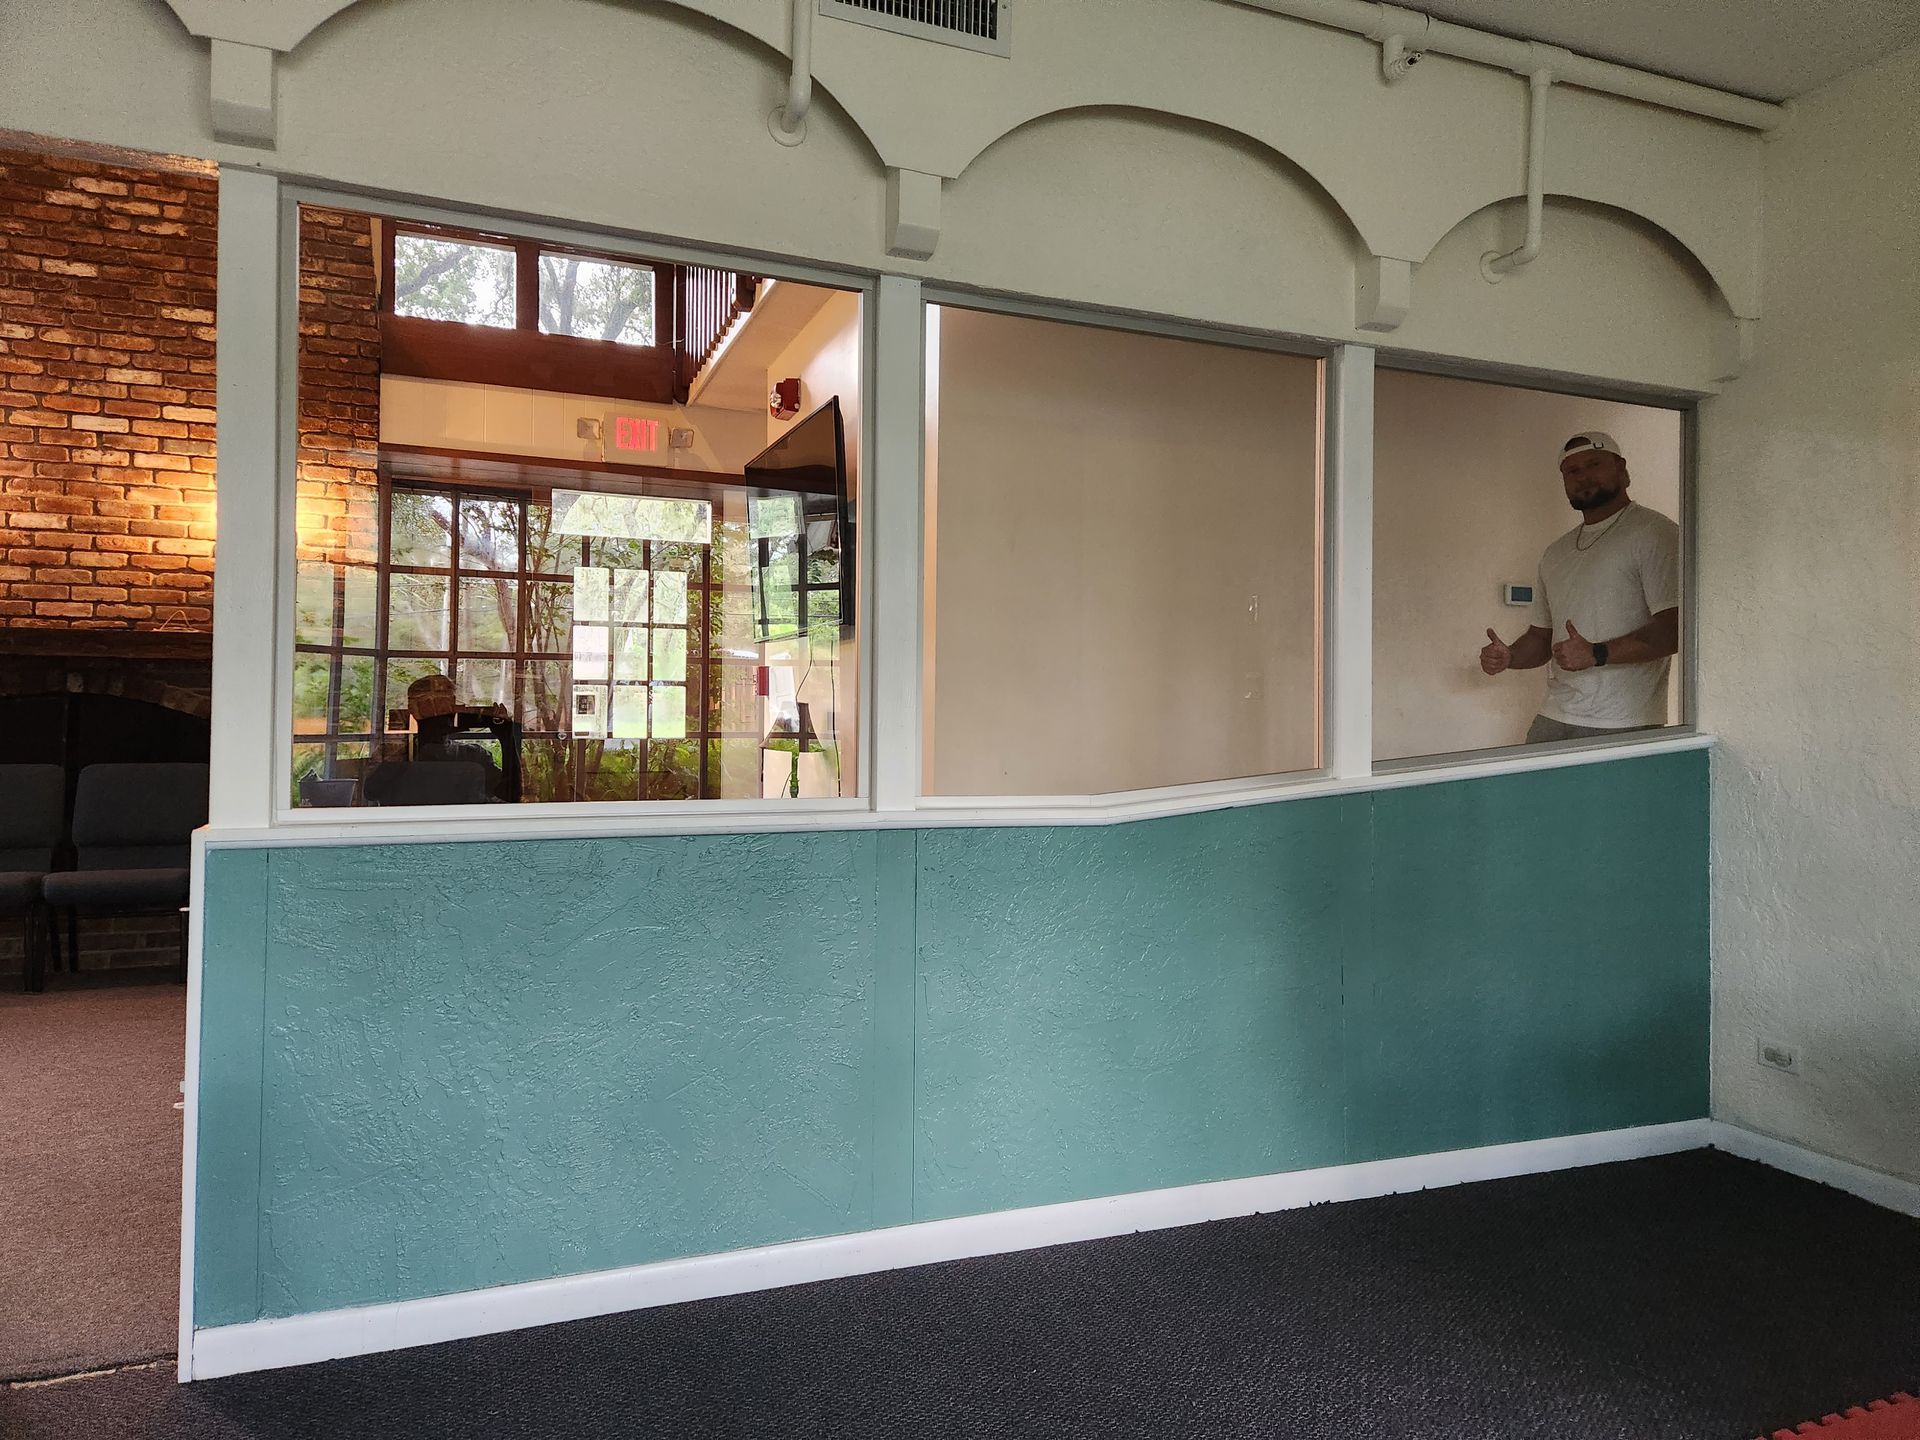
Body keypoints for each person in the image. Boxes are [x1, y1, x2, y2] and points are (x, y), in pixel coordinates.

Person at [1479, 431, 1681, 744]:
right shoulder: (1556, 552)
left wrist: (1597, 652)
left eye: (1594, 464)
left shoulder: (1655, 533)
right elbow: (1540, 638)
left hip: (1625, 722)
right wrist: (1510, 656)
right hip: (1555, 715)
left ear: (1622, 468)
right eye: (1572, 471)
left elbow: (1674, 630)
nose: (1583, 476)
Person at [361, 673, 519, 803]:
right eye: (435, 705)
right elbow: (370, 791)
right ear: (414, 711)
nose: (444, 712)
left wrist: (506, 736)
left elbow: (509, 794)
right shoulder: (397, 755)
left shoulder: (474, 756)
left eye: (450, 704)